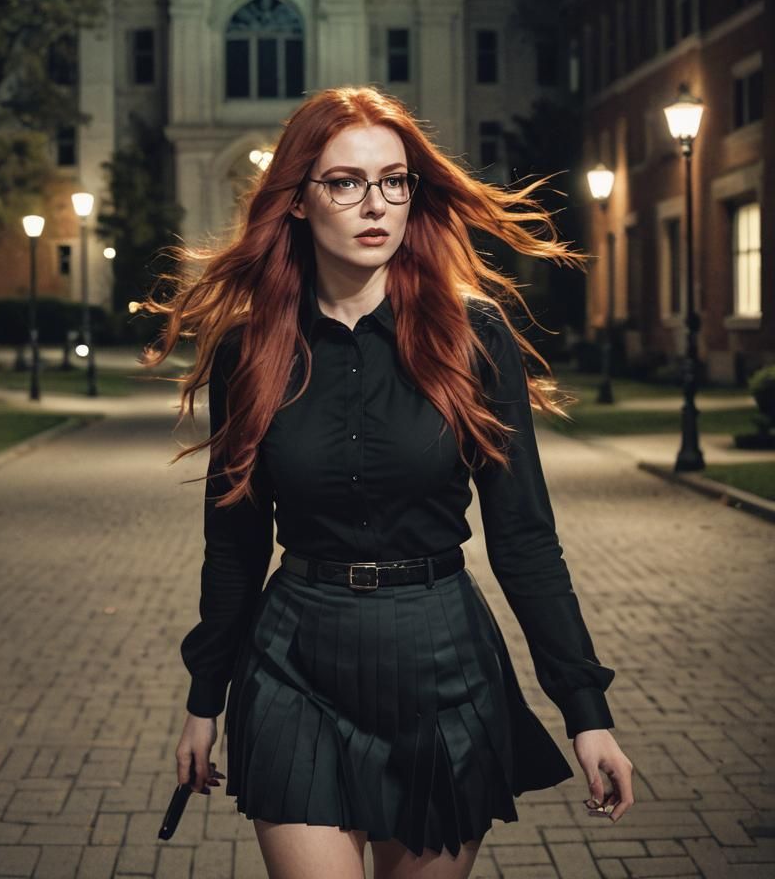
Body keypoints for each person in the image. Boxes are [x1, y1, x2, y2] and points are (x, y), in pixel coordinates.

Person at [142, 86, 634, 879]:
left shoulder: (472, 335)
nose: (376, 204)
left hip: (443, 666)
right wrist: (206, 700)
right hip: (296, 665)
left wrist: (587, 713)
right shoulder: (250, 349)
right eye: (345, 182)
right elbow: (234, 543)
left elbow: (525, 539)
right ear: (297, 198)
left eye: (394, 181)